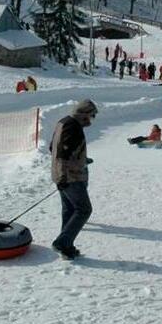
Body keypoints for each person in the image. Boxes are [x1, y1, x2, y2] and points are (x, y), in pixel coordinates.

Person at [50, 99, 97, 260]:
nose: (91, 120)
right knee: (84, 209)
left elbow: (53, 148)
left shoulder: (64, 122)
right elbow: (63, 154)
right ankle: (62, 242)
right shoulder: (73, 127)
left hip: (61, 174)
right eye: (91, 116)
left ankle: (67, 246)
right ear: (84, 114)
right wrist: (64, 176)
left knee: (69, 209)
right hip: (71, 177)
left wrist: (81, 159)